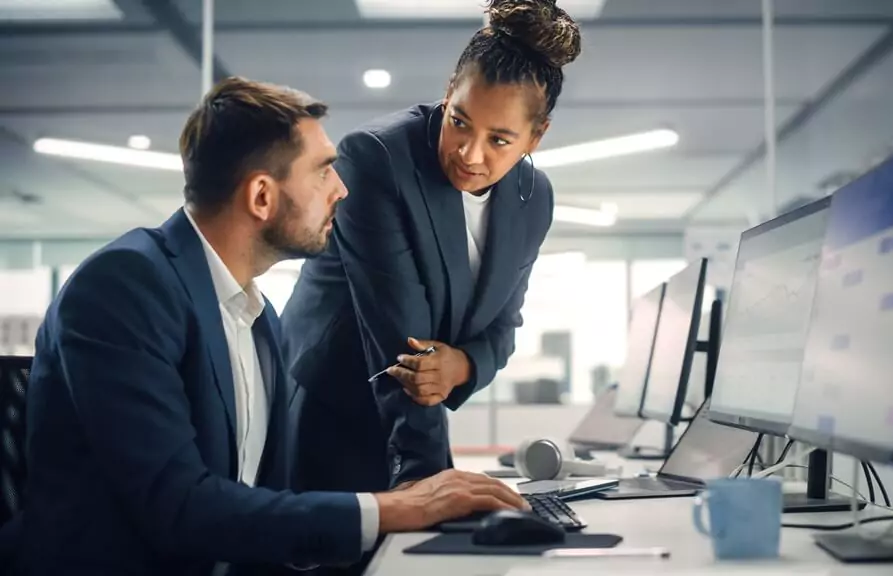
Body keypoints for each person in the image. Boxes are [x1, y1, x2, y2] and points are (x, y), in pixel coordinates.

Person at [17, 76, 527, 575]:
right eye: (324, 172)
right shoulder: (126, 287)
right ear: (262, 196)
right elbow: (178, 507)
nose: (342, 190)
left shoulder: (257, 318)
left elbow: (262, 508)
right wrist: (397, 508)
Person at [280, 0, 583, 494]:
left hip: (414, 412)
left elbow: (503, 325)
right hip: (331, 406)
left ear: (536, 136)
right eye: (460, 121)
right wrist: (429, 482)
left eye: (500, 140)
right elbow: (402, 342)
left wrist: (463, 364)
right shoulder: (377, 159)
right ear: (447, 92)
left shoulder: (535, 199)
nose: (470, 153)